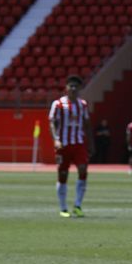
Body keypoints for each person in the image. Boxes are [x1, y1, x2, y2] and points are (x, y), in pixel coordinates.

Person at [49, 74, 91, 217]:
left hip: (78, 143)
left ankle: (78, 205)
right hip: (63, 144)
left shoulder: (83, 105)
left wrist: (90, 143)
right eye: (70, 86)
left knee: (83, 169)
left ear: (79, 88)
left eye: (76, 86)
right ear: (66, 88)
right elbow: (52, 122)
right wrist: (56, 139)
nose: (73, 88)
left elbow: (86, 124)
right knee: (63, 174)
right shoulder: (58, 104)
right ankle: (63, 208)